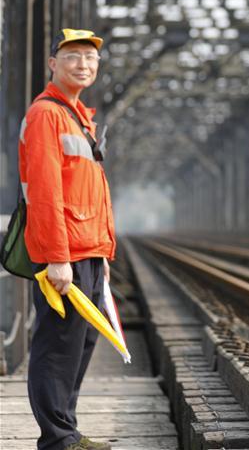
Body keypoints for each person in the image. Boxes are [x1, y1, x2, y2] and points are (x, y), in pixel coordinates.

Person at [19, 28, 116, 450]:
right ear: (53, 64)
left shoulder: (78, 116)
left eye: (90, 58)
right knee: (58, 346)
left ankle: (67, 432)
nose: (83, 64)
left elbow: (88, 190)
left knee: (80, 344)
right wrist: (57, 257)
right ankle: (57, 439)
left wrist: (104, 252)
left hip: (88, 251)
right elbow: (44, 191)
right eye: (73, 56)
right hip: (66, 254)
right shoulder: (47, 114)